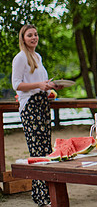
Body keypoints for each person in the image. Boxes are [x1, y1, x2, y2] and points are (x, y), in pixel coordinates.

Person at [11, 24, 62, 207]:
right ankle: (42, 199)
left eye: (35, 34)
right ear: (23, 38)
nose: (34, 37)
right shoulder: (20, 58)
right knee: (37, 152)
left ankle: (43, 195)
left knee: (46, 151)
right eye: (29, 35)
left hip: (42, 104)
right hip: (30, 107)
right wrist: (39, 85)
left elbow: (40, 82)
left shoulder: (37, 57)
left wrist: (50, 86)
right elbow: (16, 85)